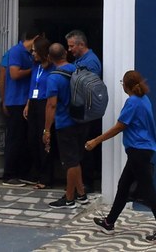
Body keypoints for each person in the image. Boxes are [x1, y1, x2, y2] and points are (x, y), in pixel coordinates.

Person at [85, 70, 156, 244]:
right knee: (123, 186)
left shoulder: (132, 102)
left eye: (122, 83)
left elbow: (119, 127)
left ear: (126, 86)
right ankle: (109, 223)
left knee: (148, 191)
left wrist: (96, 141)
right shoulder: (144, 99)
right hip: (141, 150)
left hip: (138, 151)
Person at [43, 43, 90, 208]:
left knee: (70, 162)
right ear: (65, 53)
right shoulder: (78, 70)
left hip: (65, 123)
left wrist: (46, 129)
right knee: (75, 159)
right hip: (82, 121)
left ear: (50, 58)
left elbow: (52, 105)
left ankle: (69, 198)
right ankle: (81, 194)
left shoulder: (53, 77)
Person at [2, 29, 42, 187]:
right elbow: (14, 74)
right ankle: (9, 175)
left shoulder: (29, 54)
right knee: (15, 138)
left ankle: (23, 173)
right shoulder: (16, 51)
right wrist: (35, 70)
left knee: (26, 139)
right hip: (16, 101)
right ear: (36, 37)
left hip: (26, 101)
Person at [65, 29, 102, 192]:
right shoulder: (80, 60)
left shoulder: (91, 62)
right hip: (80, 109)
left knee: (86, 147)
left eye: (71, 46)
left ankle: (87, 183)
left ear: (81, 44)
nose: (69, 49)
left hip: (86, 111)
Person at [22, 36, 55, 189]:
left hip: (45, 103)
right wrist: (28, 104)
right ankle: (36, 171)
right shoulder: (36, 66)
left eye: (35, 51)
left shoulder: (53, 68)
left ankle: (46, 176)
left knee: (44, 140)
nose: (33, 53)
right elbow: (32, 85)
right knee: (32, 139)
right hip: (34, 103)